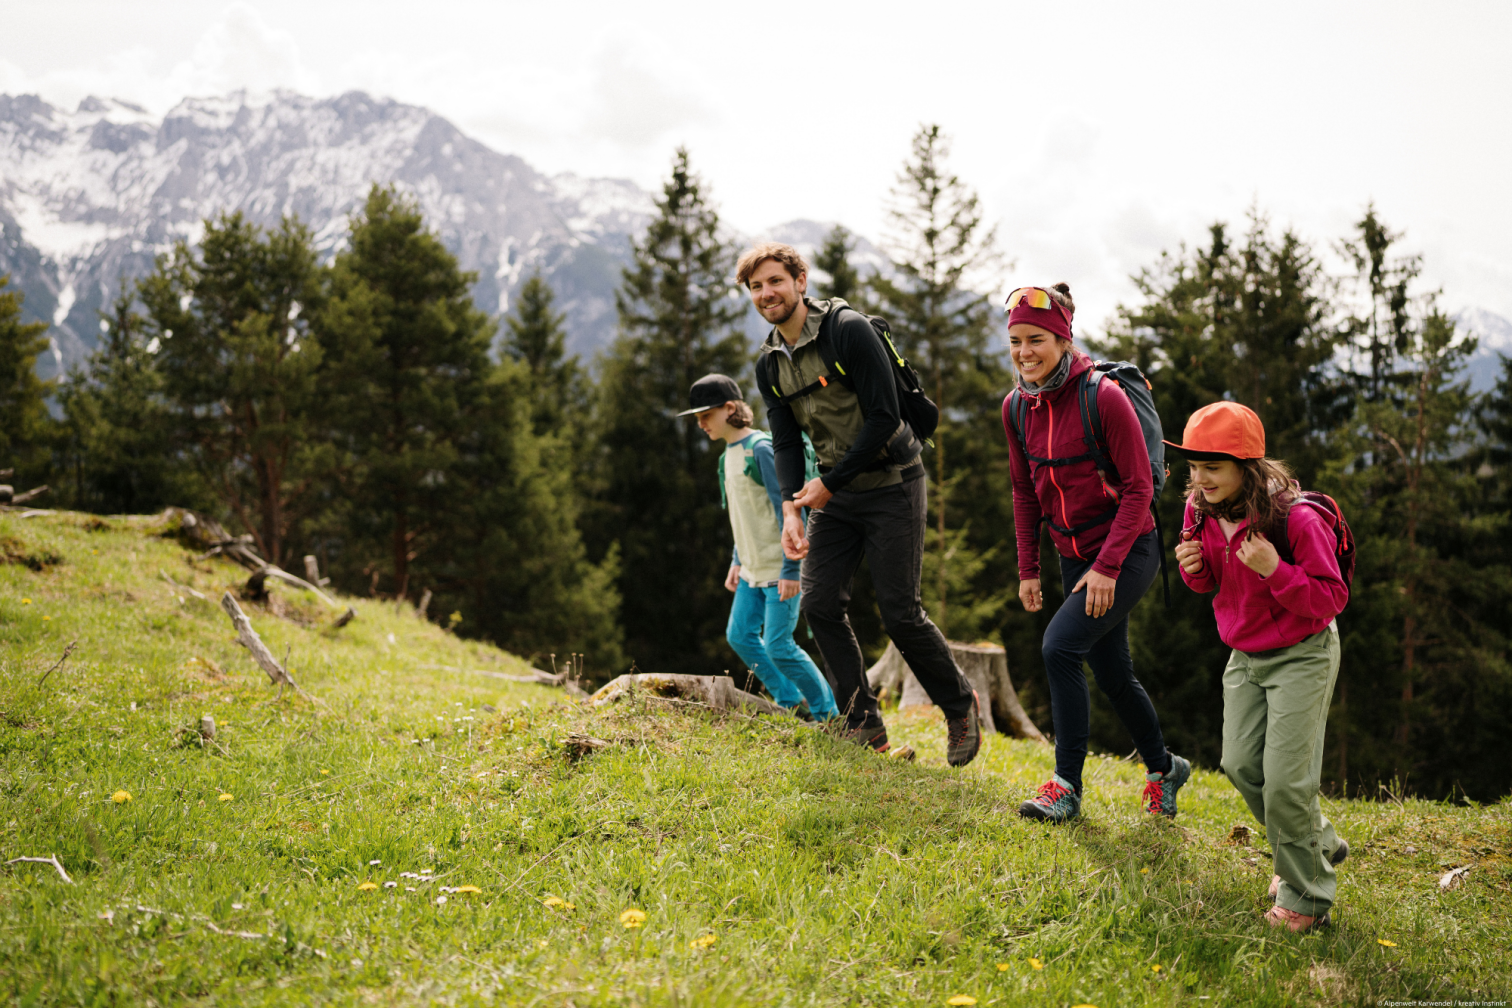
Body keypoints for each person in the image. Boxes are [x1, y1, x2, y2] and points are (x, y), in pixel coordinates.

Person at [742, 242, 982, 766]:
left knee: (900, 613)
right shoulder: (770, 364)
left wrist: (828, 485)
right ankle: (863, 724)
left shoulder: (847, 330)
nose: (766, 294)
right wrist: (790, 508)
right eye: (756, 287)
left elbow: (884, 415)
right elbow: (785, 441)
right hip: (836, 493)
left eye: (775, 281)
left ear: (800, 280)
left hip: (893, 481)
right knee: (820, 604)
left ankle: (961, 705)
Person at [1002, 283, 1190, 823]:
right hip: (1073, 552)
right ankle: (1164, 769)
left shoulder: (1103, 397)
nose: (1024, 353)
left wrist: (1107, 567)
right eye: (1015, 341)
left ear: (1063, 340)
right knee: (1110, 671)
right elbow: (1024, 490)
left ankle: (1065, 787)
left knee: (1060, 647)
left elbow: (1140, 489)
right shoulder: (1016, 408)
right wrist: (1029, 567)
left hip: (1128, 549)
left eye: (1036, 340)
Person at [1169, 401, 1350, 932]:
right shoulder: (1199, 509)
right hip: (1245, 653)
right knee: (1242, 765)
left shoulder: (1296, 519)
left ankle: (1307, 898)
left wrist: (1276, 570)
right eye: (1193, 467)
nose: (1200, 479)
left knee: (1287, 784)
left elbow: (1331, 597)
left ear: (1246, 466)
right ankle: (1315, 843)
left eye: (1212, 467)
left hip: (1303, 652)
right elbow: (1213, 582)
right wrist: (1193, 569)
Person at [679, 373, 839, 722]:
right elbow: (744, 515)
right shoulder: (727, 456)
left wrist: (791, 569)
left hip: (780, 569)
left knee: (780, 647)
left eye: (706, 415)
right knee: (740, 636)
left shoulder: (761, 450)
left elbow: (788, 512)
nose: (701, 423)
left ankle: (829, 716)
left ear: (730, 409)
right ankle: (791, 702)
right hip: (751, 570)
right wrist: (737, 560)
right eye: (698, 418)